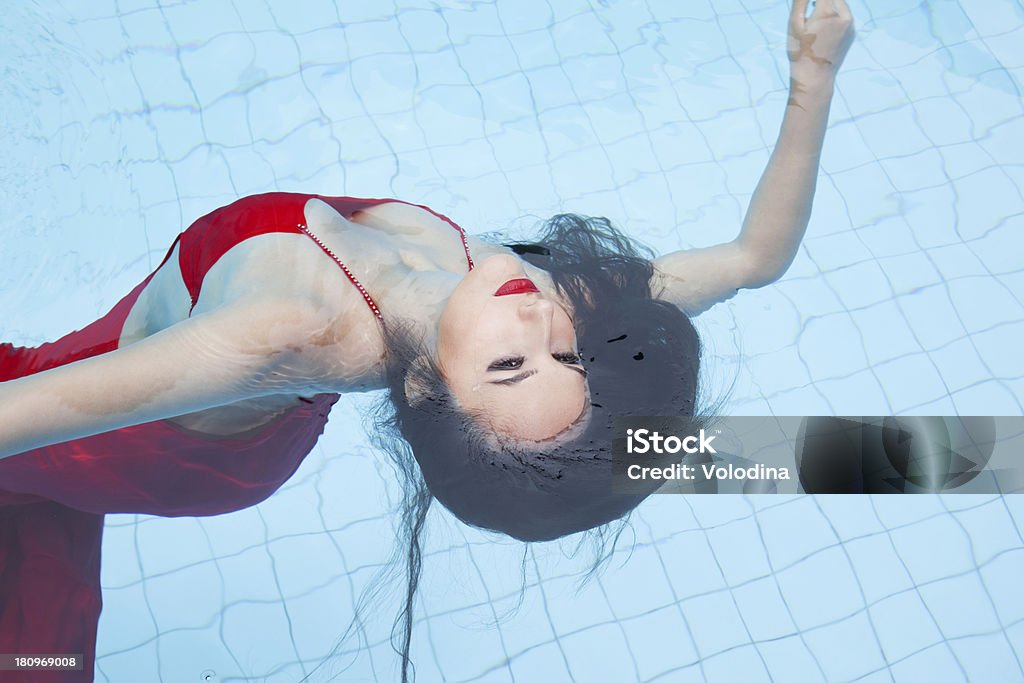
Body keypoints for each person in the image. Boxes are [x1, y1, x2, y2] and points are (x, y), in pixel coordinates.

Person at [0, 1, 854, 680]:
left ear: (424, 389)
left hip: (155, 446)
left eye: (510, 366)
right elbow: (753, 259)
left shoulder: (286, 326)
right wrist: (812, 83)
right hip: (209, 420)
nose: (536, 323)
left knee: (29, 542)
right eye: (567, 356)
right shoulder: (541, 298)